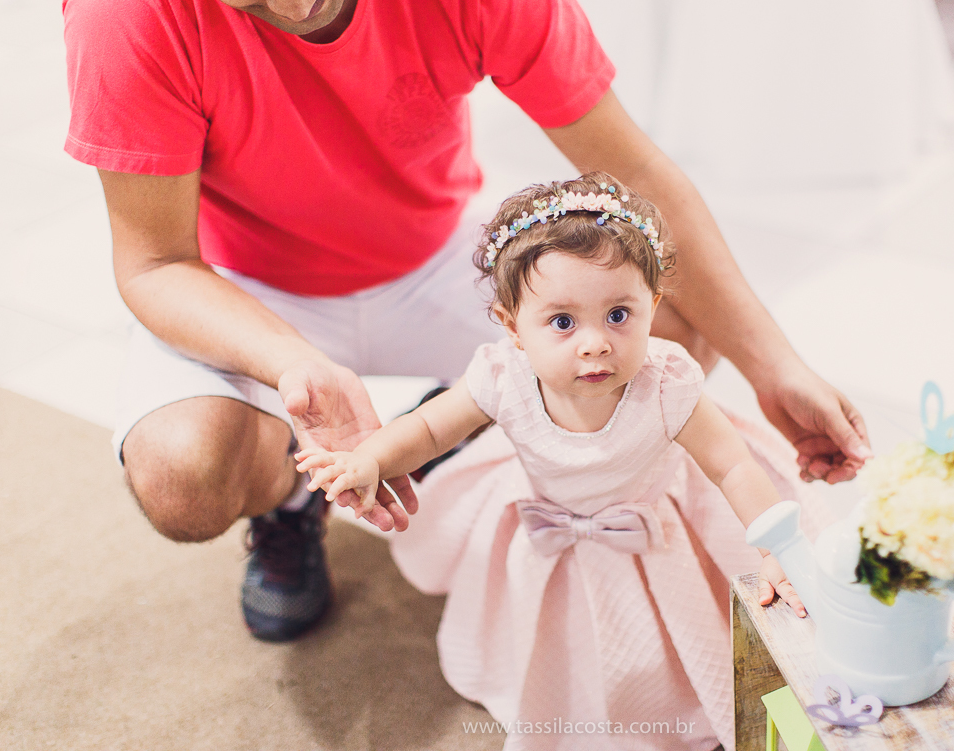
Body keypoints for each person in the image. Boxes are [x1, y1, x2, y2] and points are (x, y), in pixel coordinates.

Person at [62, 0, 872, 643]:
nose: (292, 0)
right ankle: (291, 501)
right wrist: (294, 366)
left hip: (435, 256)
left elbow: (639, 179)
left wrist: (774, 365)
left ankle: (521, 471)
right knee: (181, 477)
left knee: (659, 318)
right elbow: (156, 264)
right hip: (250, 291)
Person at [297, 173, 833, 751]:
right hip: (550, 520)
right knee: (553, 640)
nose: (595, 343)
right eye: (562, 322)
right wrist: (371, 457)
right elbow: (428, 428)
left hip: (653, 526)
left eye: (619, 315)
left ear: (652, 308)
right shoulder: (503, 376)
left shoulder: (664, 384)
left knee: (668, 653)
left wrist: (773, 546)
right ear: (513, 328)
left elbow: (730, 464)